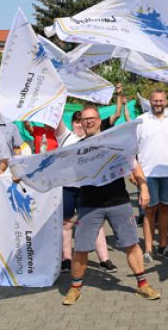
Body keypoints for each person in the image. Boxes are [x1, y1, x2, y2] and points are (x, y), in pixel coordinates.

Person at [62, 106, 160, 305]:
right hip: (89, 204)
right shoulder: (76, 149)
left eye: (92, 118)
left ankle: (143, 285)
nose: (88, 122)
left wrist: (143, 186)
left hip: (119, 201)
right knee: (81, 248)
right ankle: (75, 288)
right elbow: (55, 167)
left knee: (131, 244)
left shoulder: (114, 143)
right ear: (80, 122)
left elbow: (133, 164)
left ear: (99, 120)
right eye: (84, 119)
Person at [56, 111, 115, 273]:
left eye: (81, 121)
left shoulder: (95, 137)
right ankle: (66, 259)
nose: (79, 124)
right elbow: (56, 117)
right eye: (76, 121)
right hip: (68, 188)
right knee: (67, 224)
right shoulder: (65, 137)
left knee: (95, 222)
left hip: (87, 188)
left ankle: (104, 259)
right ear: (72, 123)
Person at [135, 89, 168, 262]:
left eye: (161, 100)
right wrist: (133, 172)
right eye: (155, 100)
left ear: (166, 101)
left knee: (165, 209)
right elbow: (132, 149)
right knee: (149, 211)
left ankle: (163, 246)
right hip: (147, 174)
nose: (158, 103)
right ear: (150, 101)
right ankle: (148, 249)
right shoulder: (141, 120)